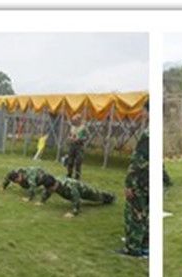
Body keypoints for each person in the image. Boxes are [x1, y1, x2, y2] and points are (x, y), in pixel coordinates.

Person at [121, 109, 149, 257]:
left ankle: (133, 248)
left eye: (144, 111)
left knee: (135, 213)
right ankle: (145, 245)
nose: (143, 114)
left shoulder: (147, 134)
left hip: (140, 181)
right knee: (146, 213)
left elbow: (138, 162)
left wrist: (129, 184)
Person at [40, 174, 115, 217]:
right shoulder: (52, 183)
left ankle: (111, 197)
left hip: (85, 191)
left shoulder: (69, 186)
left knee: (98, 197)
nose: (50, 190)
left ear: (54, 184)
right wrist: (42, 201)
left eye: (51, 188)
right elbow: (47, 191)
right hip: (74, 191)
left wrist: (73, 213)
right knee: (98, 196)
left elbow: (76, 198)